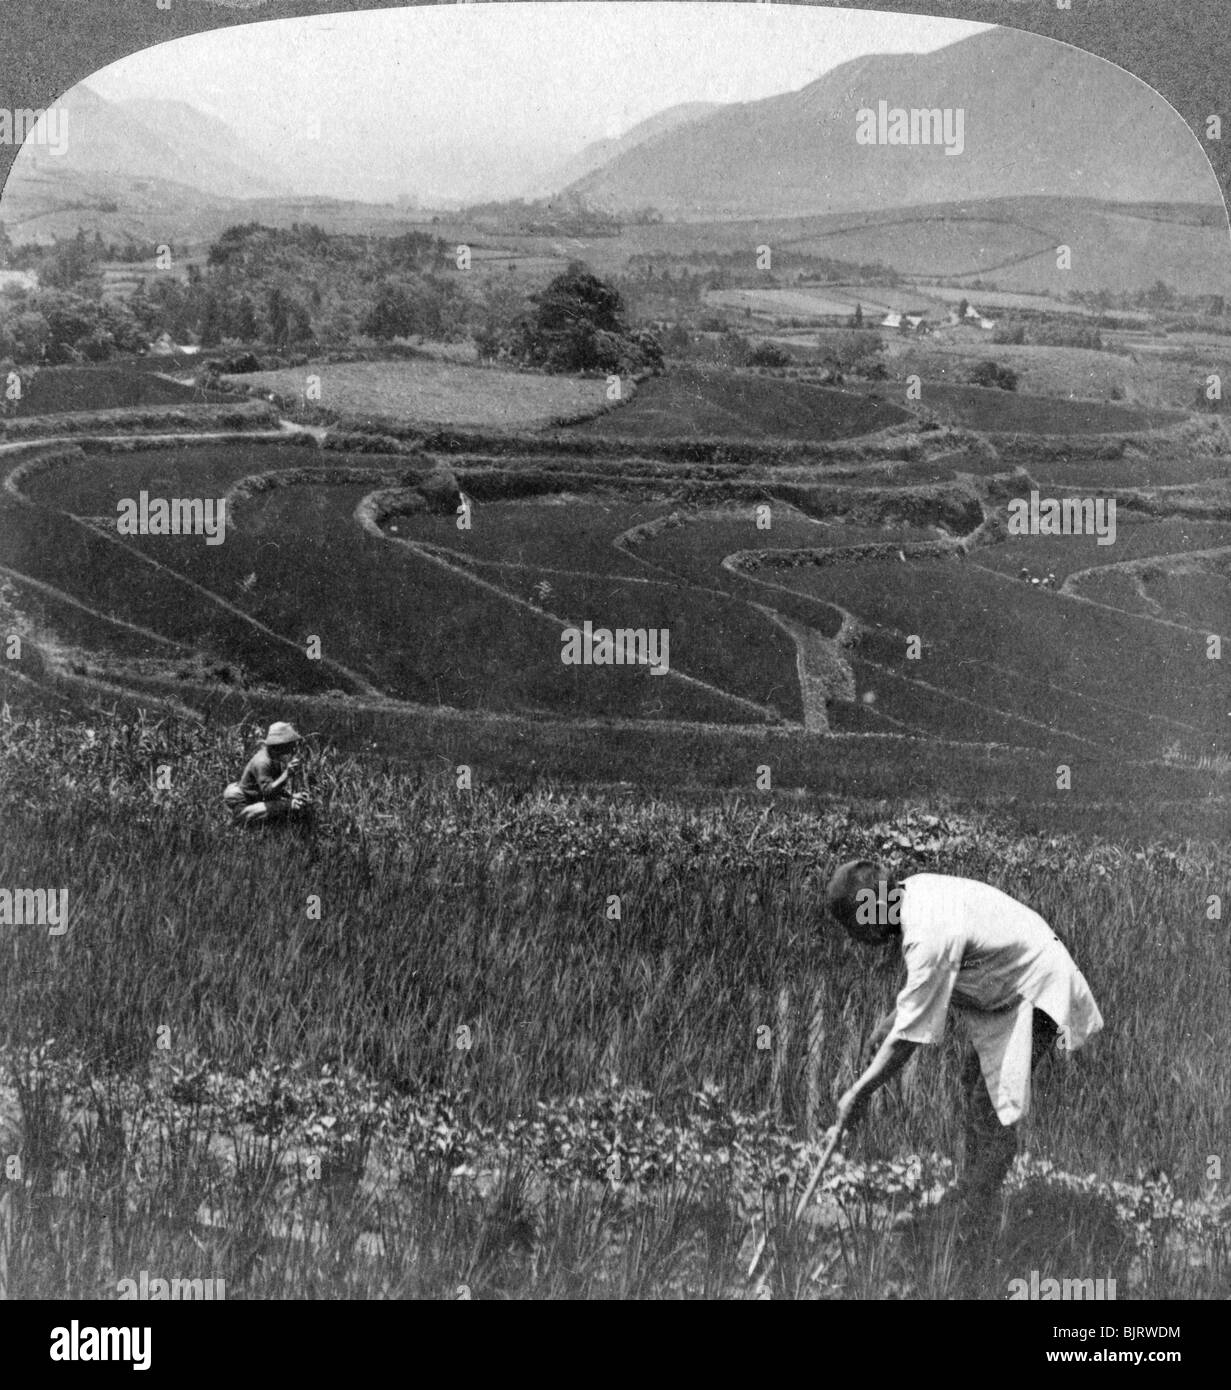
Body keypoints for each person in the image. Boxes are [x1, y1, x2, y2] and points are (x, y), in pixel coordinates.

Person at [822, 859, 1103, 1230]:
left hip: (1036, 986)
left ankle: (971, 1216)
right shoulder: (911, 893)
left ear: (868, 916)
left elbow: (909, 1038)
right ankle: (971, 1194)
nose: (858, 939)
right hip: (1011, 982)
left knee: (989, 1105)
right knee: (975, 1081)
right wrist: (889, 1023)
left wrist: (859, 1092)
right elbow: (918, 998)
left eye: (854, 928)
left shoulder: (927, 933)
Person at [223, 721, 313, 828]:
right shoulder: (262, 762)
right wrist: (286, 774)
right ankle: (240, 818)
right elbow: (267, 791)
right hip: (241, 799)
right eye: (289, 745)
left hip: (254, 796)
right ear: (279, 746)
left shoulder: (275, 757)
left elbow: (273, 786)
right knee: (286, 805)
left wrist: (291, 795)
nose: (293, 749)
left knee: (291, 802)